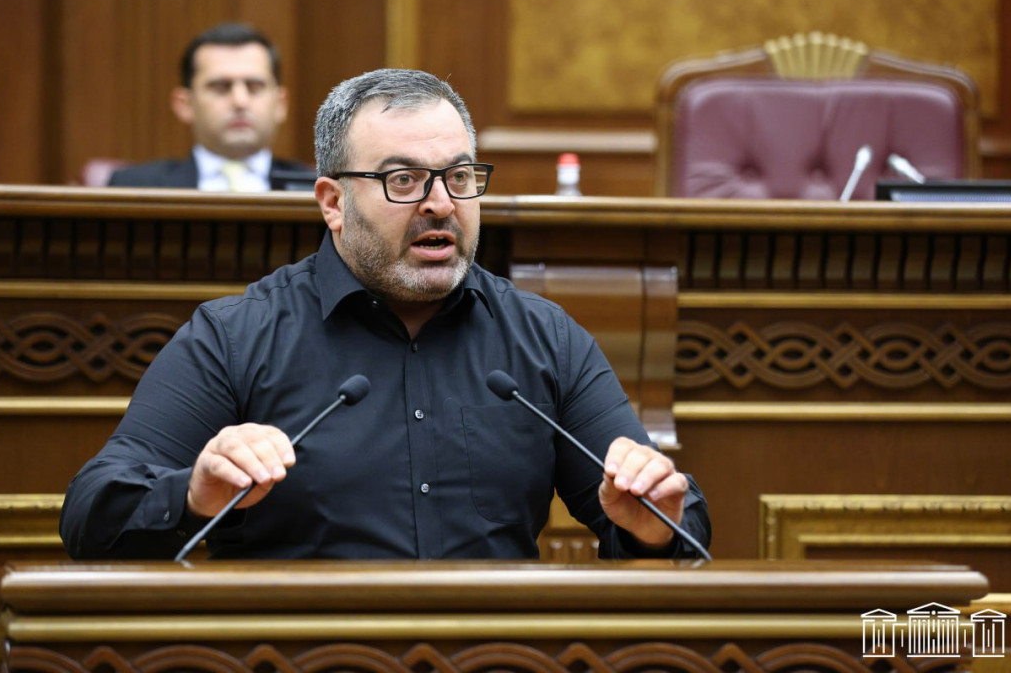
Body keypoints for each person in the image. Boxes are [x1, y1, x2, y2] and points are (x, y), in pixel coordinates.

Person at [61, 69, 711, 560]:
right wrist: (193, 496)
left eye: (459, 178)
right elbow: (91, 515)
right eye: (403, 181)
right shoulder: (237, 337)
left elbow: (684, 523)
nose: (440, 204)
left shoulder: (544, 339)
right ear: (332, 202)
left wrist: (653, 526)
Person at [108, 21, 312, 191]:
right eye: (220, 87)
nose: (240, 101)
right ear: (185, 104)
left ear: (280, 104)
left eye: (254, 87)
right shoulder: (134, 187)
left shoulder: (318, 189)